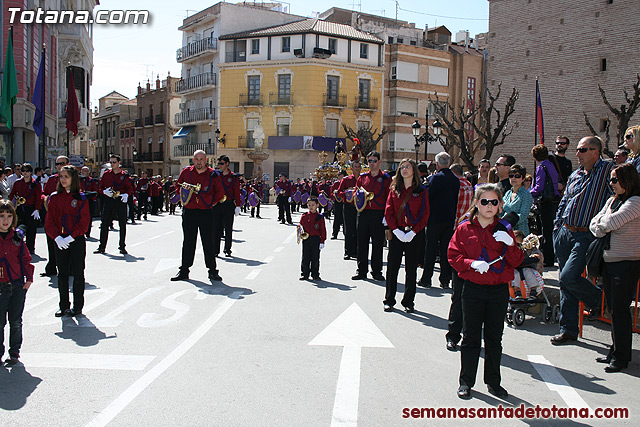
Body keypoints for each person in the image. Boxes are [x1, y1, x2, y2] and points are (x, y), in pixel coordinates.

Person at [448, 184, 524, 400]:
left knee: (494, 339)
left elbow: (516, 261)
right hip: (472, 289)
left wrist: (511, 244)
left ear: (500, 205)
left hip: (497, 290)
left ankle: (493, 382)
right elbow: (453, 256)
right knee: (471, 337)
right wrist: (471, 263)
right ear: (476, 203)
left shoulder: (505, 229)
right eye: (484, 201)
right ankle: (466, 382)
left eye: (494, 202)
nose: (489, 206)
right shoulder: (464, 229)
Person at [551, 136, 614, 345]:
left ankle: (599, 300)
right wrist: (557, 225)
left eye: (582, 150)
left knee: (569, 277)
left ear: (596, 151)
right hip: (565, 232)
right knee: (565, 283)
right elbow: (565, 201)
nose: (577, 153)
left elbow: (616, 198)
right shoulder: (575, 174)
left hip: (586, 234)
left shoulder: (607, 171)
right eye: (577, 150)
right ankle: (568, 329)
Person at [589, 163, 640, 373]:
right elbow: (595, 223)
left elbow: (610, 223)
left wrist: (602, 224)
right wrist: (602, 224)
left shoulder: (635, 202)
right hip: (608, 262)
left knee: (620, 311)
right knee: (612, 309)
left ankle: (621, 357)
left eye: (615, 180)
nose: (611, 184)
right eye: (610, 179)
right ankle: (615, 350)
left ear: (627, 180)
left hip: (626, 263)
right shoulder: (613, 200)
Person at [171, 150, 225, 282]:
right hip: (189, 211)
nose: (199, 162)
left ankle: (212, 271)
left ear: (206, 160)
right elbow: (178, 187)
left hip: (206, 212)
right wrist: (185, 193)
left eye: (201, 159)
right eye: (196, 159)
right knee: (188, 241)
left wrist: (211, 203)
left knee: (208, 242)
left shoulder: (213, 175)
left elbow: (220, 193)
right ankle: (184, 270)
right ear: (193, 160)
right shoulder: (186, 172)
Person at [383, 159, 429, 313]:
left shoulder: (422, 190)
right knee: (392, 268)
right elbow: (388, 212)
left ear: (414, 170)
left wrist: (414, 232)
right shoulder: (394, 189)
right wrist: (396, 230)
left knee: (411, 269)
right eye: (402, 167)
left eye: (407, 167)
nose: (404, 169)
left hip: (413, 235)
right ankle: (389, 299)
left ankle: (409, 301)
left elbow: (425, 214)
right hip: (398, 233)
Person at [45, 165, 90, 317]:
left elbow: (84, 222)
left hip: (75, 240)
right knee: (62, 274)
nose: (63, 180)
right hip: (60, 240)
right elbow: (49, 221)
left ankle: (77, 307)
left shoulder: (81, 197)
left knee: (78, 273)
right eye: (61, 177)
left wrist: (73, 236)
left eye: (66, 176)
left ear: (73, 178)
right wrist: (56, 237)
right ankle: (63, 306)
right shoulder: (55, 198)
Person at [0, 201, 34, 366]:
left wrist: (29, 278)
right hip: (0, 286)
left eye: (9, 216)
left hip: (17, 285)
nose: (5, 220)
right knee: (0, 322)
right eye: (1, 216)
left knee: (15, 321)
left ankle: (14, 353)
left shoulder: (17, 237)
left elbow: (26, 259)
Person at [418, 152, 459, 289]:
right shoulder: (455, 179)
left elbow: (428, 197)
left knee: (430, 249)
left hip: (434, 219)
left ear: (437, 164)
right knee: (445, 250)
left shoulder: (435, 178)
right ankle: (445, 279)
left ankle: (426, 278)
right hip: (449, 218)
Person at [352, 151, 391, 281]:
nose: (372, 164)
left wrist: (387, 216)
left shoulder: (386, 178)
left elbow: (389, 198)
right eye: (369, 161)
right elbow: (355, 194)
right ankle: (361, 270)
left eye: (374, 160)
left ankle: (377, 271)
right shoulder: (362, 178)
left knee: (377, 244)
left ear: (379, 162)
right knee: (361, 243)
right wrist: (358, 197)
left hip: (378, 214)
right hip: (363, 213)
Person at [95, 155, 133, 255]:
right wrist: (104, 191)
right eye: (111, 162)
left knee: (122, 224)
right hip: (109, 200)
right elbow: (100, 187)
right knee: (104, 224)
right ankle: (101, 246)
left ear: (119, 163)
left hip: (120, 200)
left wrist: (126, 195)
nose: (112, 164)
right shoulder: (106, 174)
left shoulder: (124, 175)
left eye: (114, 162)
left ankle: (122, 247)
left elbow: (130, 188)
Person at [530, 144, 561, 266]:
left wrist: (528, 193)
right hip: (554, 200)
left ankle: (548, 258)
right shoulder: (551, 165)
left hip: (546, 201)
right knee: (551, 229)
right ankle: (551, 255)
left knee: (546, 230)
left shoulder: (541, 167)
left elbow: (539, 187)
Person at [41, 156, 70, 276]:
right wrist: (46, 199)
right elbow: (44, 193)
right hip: (53, 216)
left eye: (62, 163)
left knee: (68, 243)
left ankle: (69, 268)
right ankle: (52, 266)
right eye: (57, 164)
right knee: (51, 241)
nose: (59, 166)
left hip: (67, 216)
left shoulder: (73, 179)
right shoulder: (52, 179)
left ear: (67, 164)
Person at [8, 163, 42, 254]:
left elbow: (38, 197)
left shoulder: (36, 184)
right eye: (23, 171)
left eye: (27, 171)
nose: (25, 173)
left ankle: (30, 248)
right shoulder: (17, 183)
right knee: (19, 228)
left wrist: (37, 209)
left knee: (31, 230)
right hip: (20, 208)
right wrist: (12, 204)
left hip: (31, 209)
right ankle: (18, 246)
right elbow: (12, 194)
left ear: (31, 172)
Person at [214, 155, 242, 257]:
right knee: (216, 228)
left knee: (228, 228)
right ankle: (215, 250)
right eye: (219, 164)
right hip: (217, 204)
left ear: (227, 164)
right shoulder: (216, 175)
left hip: (228, 204)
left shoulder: (233, 177)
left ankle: (227, 249)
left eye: (221, 163)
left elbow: (236, 191)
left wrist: (238, 205)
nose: (220, 166)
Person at [337, 160, 361, 260]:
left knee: (358, 230)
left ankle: (355, 251)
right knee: (348, 229)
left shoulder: (363, 179)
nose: (357, 168)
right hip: (348, 207)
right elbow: (339, 192)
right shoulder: (346, 180)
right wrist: (347, 194)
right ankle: (347, 251)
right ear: (351, 168)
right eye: (355, 167)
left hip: (359, 207)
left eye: (359, 167)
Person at [510, 230, 544, 299]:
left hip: (525, 267)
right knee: (514, 274)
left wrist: (533, 256)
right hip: (514, 268)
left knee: (529, 273)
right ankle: (517, 290)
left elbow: (535, 256)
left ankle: (533, 289)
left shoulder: (525, 250)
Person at [299, 196, 326, 281]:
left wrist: (322, 241)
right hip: (306, 239)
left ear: (317, 205)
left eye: (313, 205)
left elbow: (323, 229)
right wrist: (300, 230)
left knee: (315, 258)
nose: (311, 207)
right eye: (309, 205)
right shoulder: (304, 216)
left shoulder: (320, 217)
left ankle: (315, 274)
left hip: (315, 239)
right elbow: (300, 226)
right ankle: (305, 274)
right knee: (305, 257)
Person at [502, 164, 534, 234]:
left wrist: (506, 223)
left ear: (523, 179)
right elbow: (501, 211)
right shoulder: (508, 193)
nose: (513, 178)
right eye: (511, 176)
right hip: (505, 231)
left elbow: (523, 216)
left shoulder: (526, 195)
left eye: (517, 176)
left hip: (519, 233)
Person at [330, 171, 346, 240]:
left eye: (339, 174)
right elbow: (331, 192)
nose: (338, 176)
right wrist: (334, 195)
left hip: (345, 202)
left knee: (346, 219)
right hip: (337, 203)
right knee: (337, 218)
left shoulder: (346, 182)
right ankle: (335, 233)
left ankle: (346, 234)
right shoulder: (336, 184)